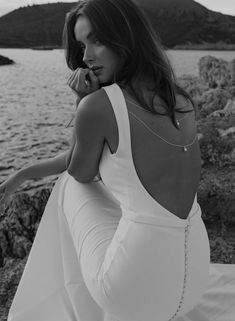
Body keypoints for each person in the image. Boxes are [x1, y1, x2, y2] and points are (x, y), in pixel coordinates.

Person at [2, 0, 235, 320]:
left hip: (132, 294)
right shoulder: (181, 98)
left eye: (96, 40)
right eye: (82, 44)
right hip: (193, 278)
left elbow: (78, 170)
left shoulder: (98, 105)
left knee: (69, 183)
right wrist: (22, 174)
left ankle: (71, 300)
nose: (85, 56)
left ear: (126, 35)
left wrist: (84, 104)